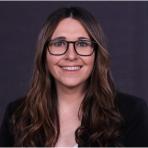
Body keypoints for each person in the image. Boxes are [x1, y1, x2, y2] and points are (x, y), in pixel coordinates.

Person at [0, 6, 148, 147]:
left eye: (82, 44)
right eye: (59, 43)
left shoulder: (131, 113)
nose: (71, 55)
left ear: (96, 54)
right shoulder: (17, 115)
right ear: (44, 53)